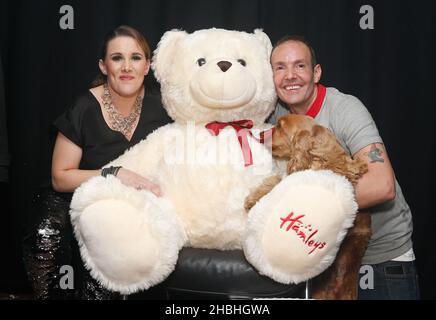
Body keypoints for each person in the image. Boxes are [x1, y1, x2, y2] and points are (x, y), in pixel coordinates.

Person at [22, 25, 172, 299]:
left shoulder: (162, 107)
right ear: (104, 66)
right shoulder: (83, 107)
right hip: (72, 194)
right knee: (45, 233)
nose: (127, 66)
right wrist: (114, 173)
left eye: (136, 58)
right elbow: (61, 177)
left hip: (133, 200)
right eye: (117, 58)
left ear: (148, 66)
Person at [268, 35, 419, 300]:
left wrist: (304, 206)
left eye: (299, 66)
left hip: (379, 260)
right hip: (324, 261)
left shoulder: (344, 109)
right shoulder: (277, 116)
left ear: (316, 73)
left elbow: (382, 186)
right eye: (280, 67)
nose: (290, 75)